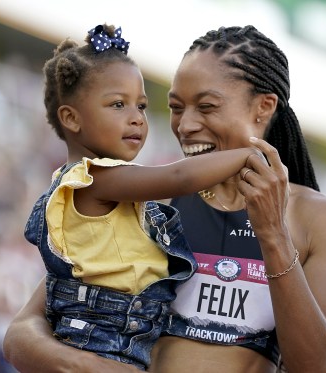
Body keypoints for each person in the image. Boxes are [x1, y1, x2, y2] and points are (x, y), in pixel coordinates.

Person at [3, 25, 326, 372]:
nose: (185, 125)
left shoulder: (320, 219)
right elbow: (22, 333)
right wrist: (87, 364)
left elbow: (319, 366)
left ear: (263, 108)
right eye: (175, 108)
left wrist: (274, 236)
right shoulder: (150, 199)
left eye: (205, 107)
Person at [24, 23, 265, 371]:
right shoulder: (92, 179)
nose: (136, 119)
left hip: (125, 334)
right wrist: (247, 154)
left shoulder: (107, 184)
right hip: (99, 336)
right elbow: (178, 176)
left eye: (141, 105)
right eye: (118, 104)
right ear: (71, 118)